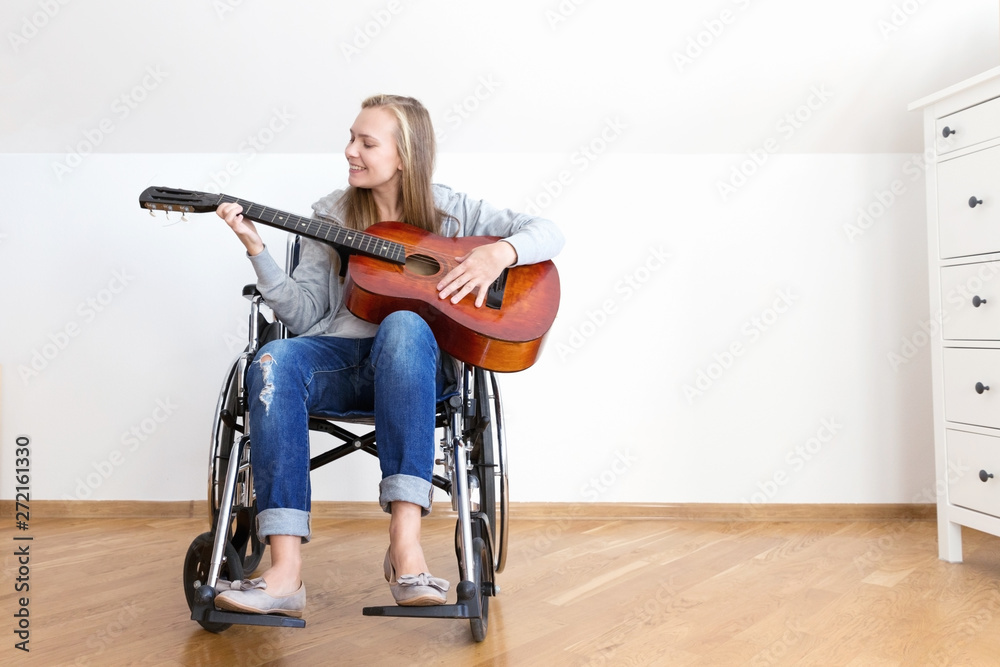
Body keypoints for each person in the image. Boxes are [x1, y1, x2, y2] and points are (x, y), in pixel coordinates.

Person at [212, 94, 564, 617]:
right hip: (341, 362)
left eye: (366, 142)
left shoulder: (453, 211)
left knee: (402, 323)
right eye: (350, 138)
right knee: (274, 358)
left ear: (405, 155)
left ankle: (406, 547)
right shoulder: (330, 214)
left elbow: (549, 232)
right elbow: (306, 315)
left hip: (417, 369)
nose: (350, 151)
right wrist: (255, 247)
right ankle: (284, 571)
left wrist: (497, 253)